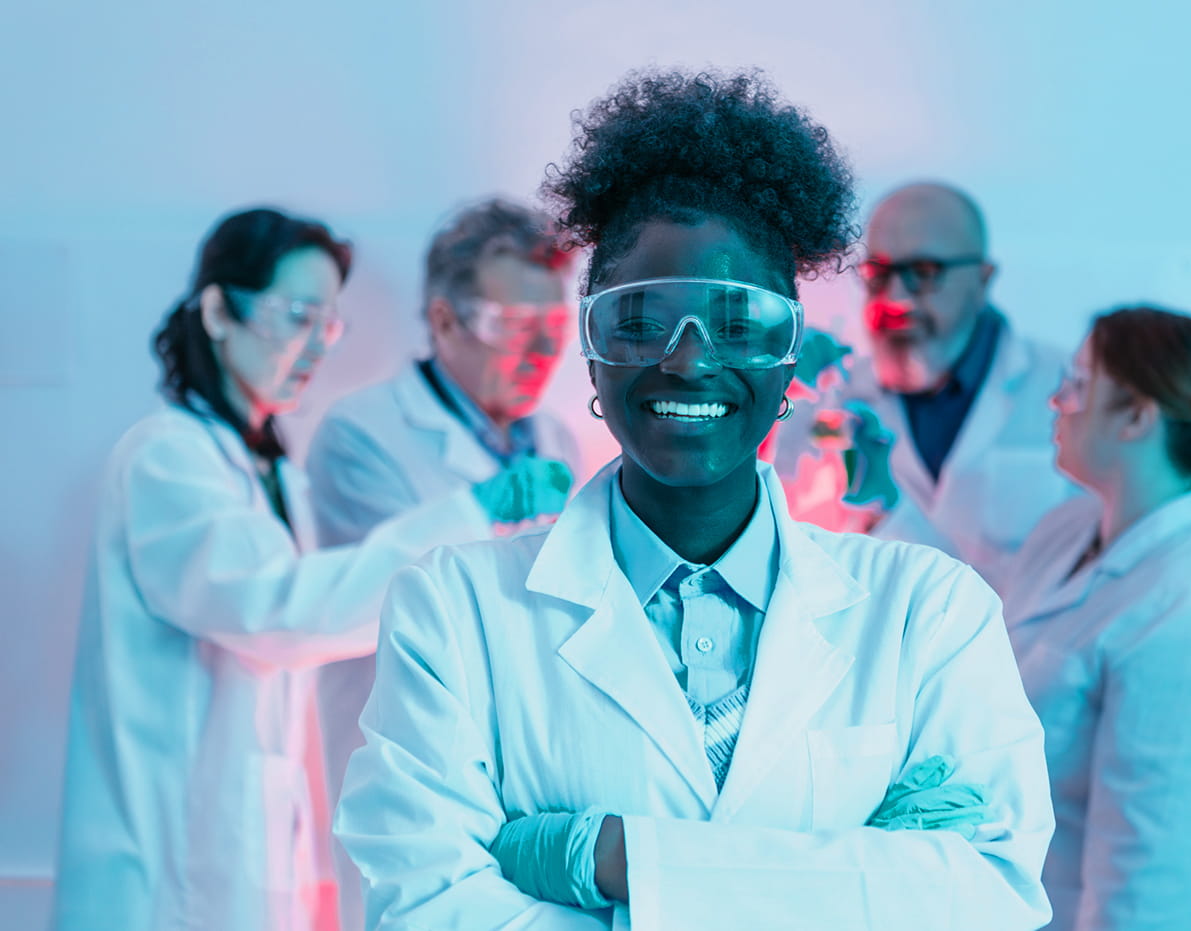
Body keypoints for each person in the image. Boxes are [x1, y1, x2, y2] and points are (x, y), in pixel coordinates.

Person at [335, 69, 1054, 930]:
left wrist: (611, 857)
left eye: (739, 323)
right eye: (640, 321)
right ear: (593, 350)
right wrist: (859, 875)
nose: (687, 359)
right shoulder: (452, 610)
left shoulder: (930, 612)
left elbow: (988, 896)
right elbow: (424, 908)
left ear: (791, 355)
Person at [51, 208, 479, 931]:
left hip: (244, 864)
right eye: (299, 317)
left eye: (328, 326)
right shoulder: (166, 457)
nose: (316, 346)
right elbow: (282, 611)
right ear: (219, 311)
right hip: (162, 877)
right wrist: (463, 516)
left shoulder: (272, 473)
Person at [305, 197, 579, 930]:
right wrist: (483, 509)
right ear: (445, 319)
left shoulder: (555, 438)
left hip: (533, 764)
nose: (542, 350)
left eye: (554, 326)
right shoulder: (362, 434)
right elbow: (397, 597)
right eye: (513, 324)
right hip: (414, 761)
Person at [1000, 306, 1191, 929]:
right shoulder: (1066, 530)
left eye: (1077, 384)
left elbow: (1148, 880)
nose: (1055, 400)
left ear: (1137, 417)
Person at [852, 182, 1076, 592]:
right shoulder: (837, 397)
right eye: (877, 274)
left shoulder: (1065, 386)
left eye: (924, 273)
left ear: (983, 279)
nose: (894, 298)